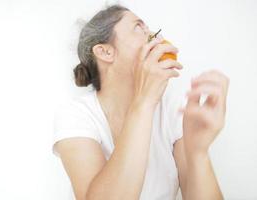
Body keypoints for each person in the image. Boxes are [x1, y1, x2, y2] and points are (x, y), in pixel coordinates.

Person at [52, 4, 229, 200]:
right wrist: (144, 101)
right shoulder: (75, 115)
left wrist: (198, 152)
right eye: (139, 27)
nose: (157, 37)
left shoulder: (172, 107)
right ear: (105, 52)